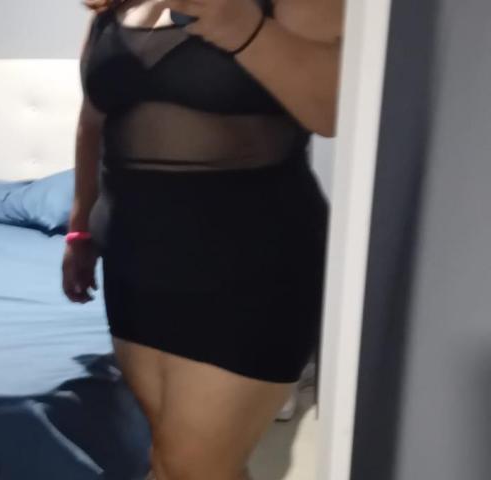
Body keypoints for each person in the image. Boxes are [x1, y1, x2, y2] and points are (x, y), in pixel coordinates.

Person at [62, 0, 342, 478]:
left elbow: (335, 111)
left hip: (250, 270)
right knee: (185, 459)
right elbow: (93, 121)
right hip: (134, 266)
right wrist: (79, 228)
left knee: (188, 467)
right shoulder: (114, 9)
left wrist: (243, 29)